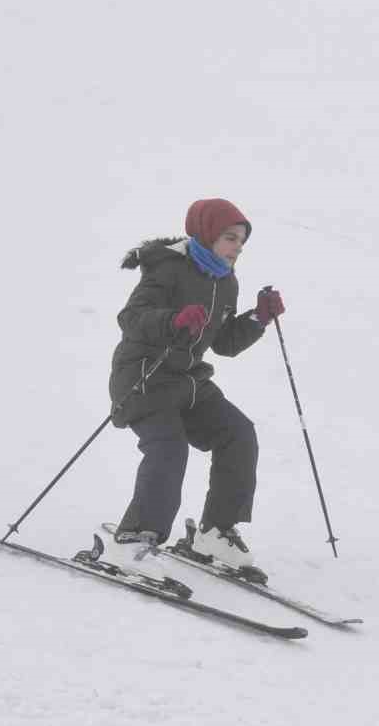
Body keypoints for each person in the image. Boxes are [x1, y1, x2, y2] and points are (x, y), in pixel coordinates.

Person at [104, 198, 285, 580]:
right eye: (230, 237)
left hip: (188, 383)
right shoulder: (168, 268)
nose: (237, 247)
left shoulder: (225, 279)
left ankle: (215, 532)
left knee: (237, 433)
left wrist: (258, 318)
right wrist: (172, 321)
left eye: (241, 241)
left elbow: (224, 344)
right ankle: (133, 539)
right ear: (205, 234)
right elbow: (131, 318)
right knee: (169, 448)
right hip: (144, 378)